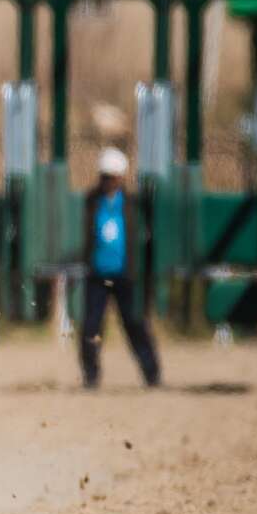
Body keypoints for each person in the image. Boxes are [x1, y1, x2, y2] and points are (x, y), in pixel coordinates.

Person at [79, 147, 162, 389]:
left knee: (135, 325)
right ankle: (91, 377)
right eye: (104, 176)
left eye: (112, 177)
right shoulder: (92, 201)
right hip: (97, 275)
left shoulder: (132, 205)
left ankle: (152, 375)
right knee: (91, 328)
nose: (107, 182)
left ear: (121, 177)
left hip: (126, 276)